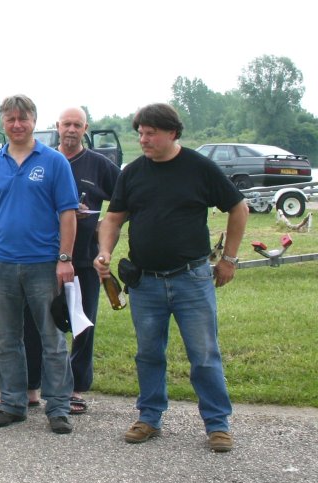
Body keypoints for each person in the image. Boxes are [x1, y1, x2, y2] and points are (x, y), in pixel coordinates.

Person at [94, 103, 246, 453]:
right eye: (140, 133)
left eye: (151, 133)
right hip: (145, 283)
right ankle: (149, 417)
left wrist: (229, 259)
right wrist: (104, 252)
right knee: (148, 353)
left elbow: (238, 207)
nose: (143, 140)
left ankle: (217, 424)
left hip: (192, 279)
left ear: (173, 133)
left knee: (204, 354)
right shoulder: (132, 173)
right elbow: (113, 219)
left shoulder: (199, 168)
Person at [0, 95, 79, 435]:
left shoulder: (54, 162)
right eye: (11, 119)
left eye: (23, 118)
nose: (17, 124)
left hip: (44, 264)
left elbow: (68, 213)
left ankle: (58, 408)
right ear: (3, 123)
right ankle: (12, 404)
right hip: (2, 264)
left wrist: (65, 258)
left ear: (34, 120)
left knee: (53, 339)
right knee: (7, 340)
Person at [16, 108, 120, 414]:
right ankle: (31, 387)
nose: (71, 130)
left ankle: (74, 388)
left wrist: (104, 228)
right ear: (57, 127)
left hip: (84, 258)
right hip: (43, 257)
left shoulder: (99, 165)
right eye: (66, 124)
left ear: (86, 128)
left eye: (77, 125)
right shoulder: (43, 160)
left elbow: (125, 202)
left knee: (81, 323)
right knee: (34, 323)